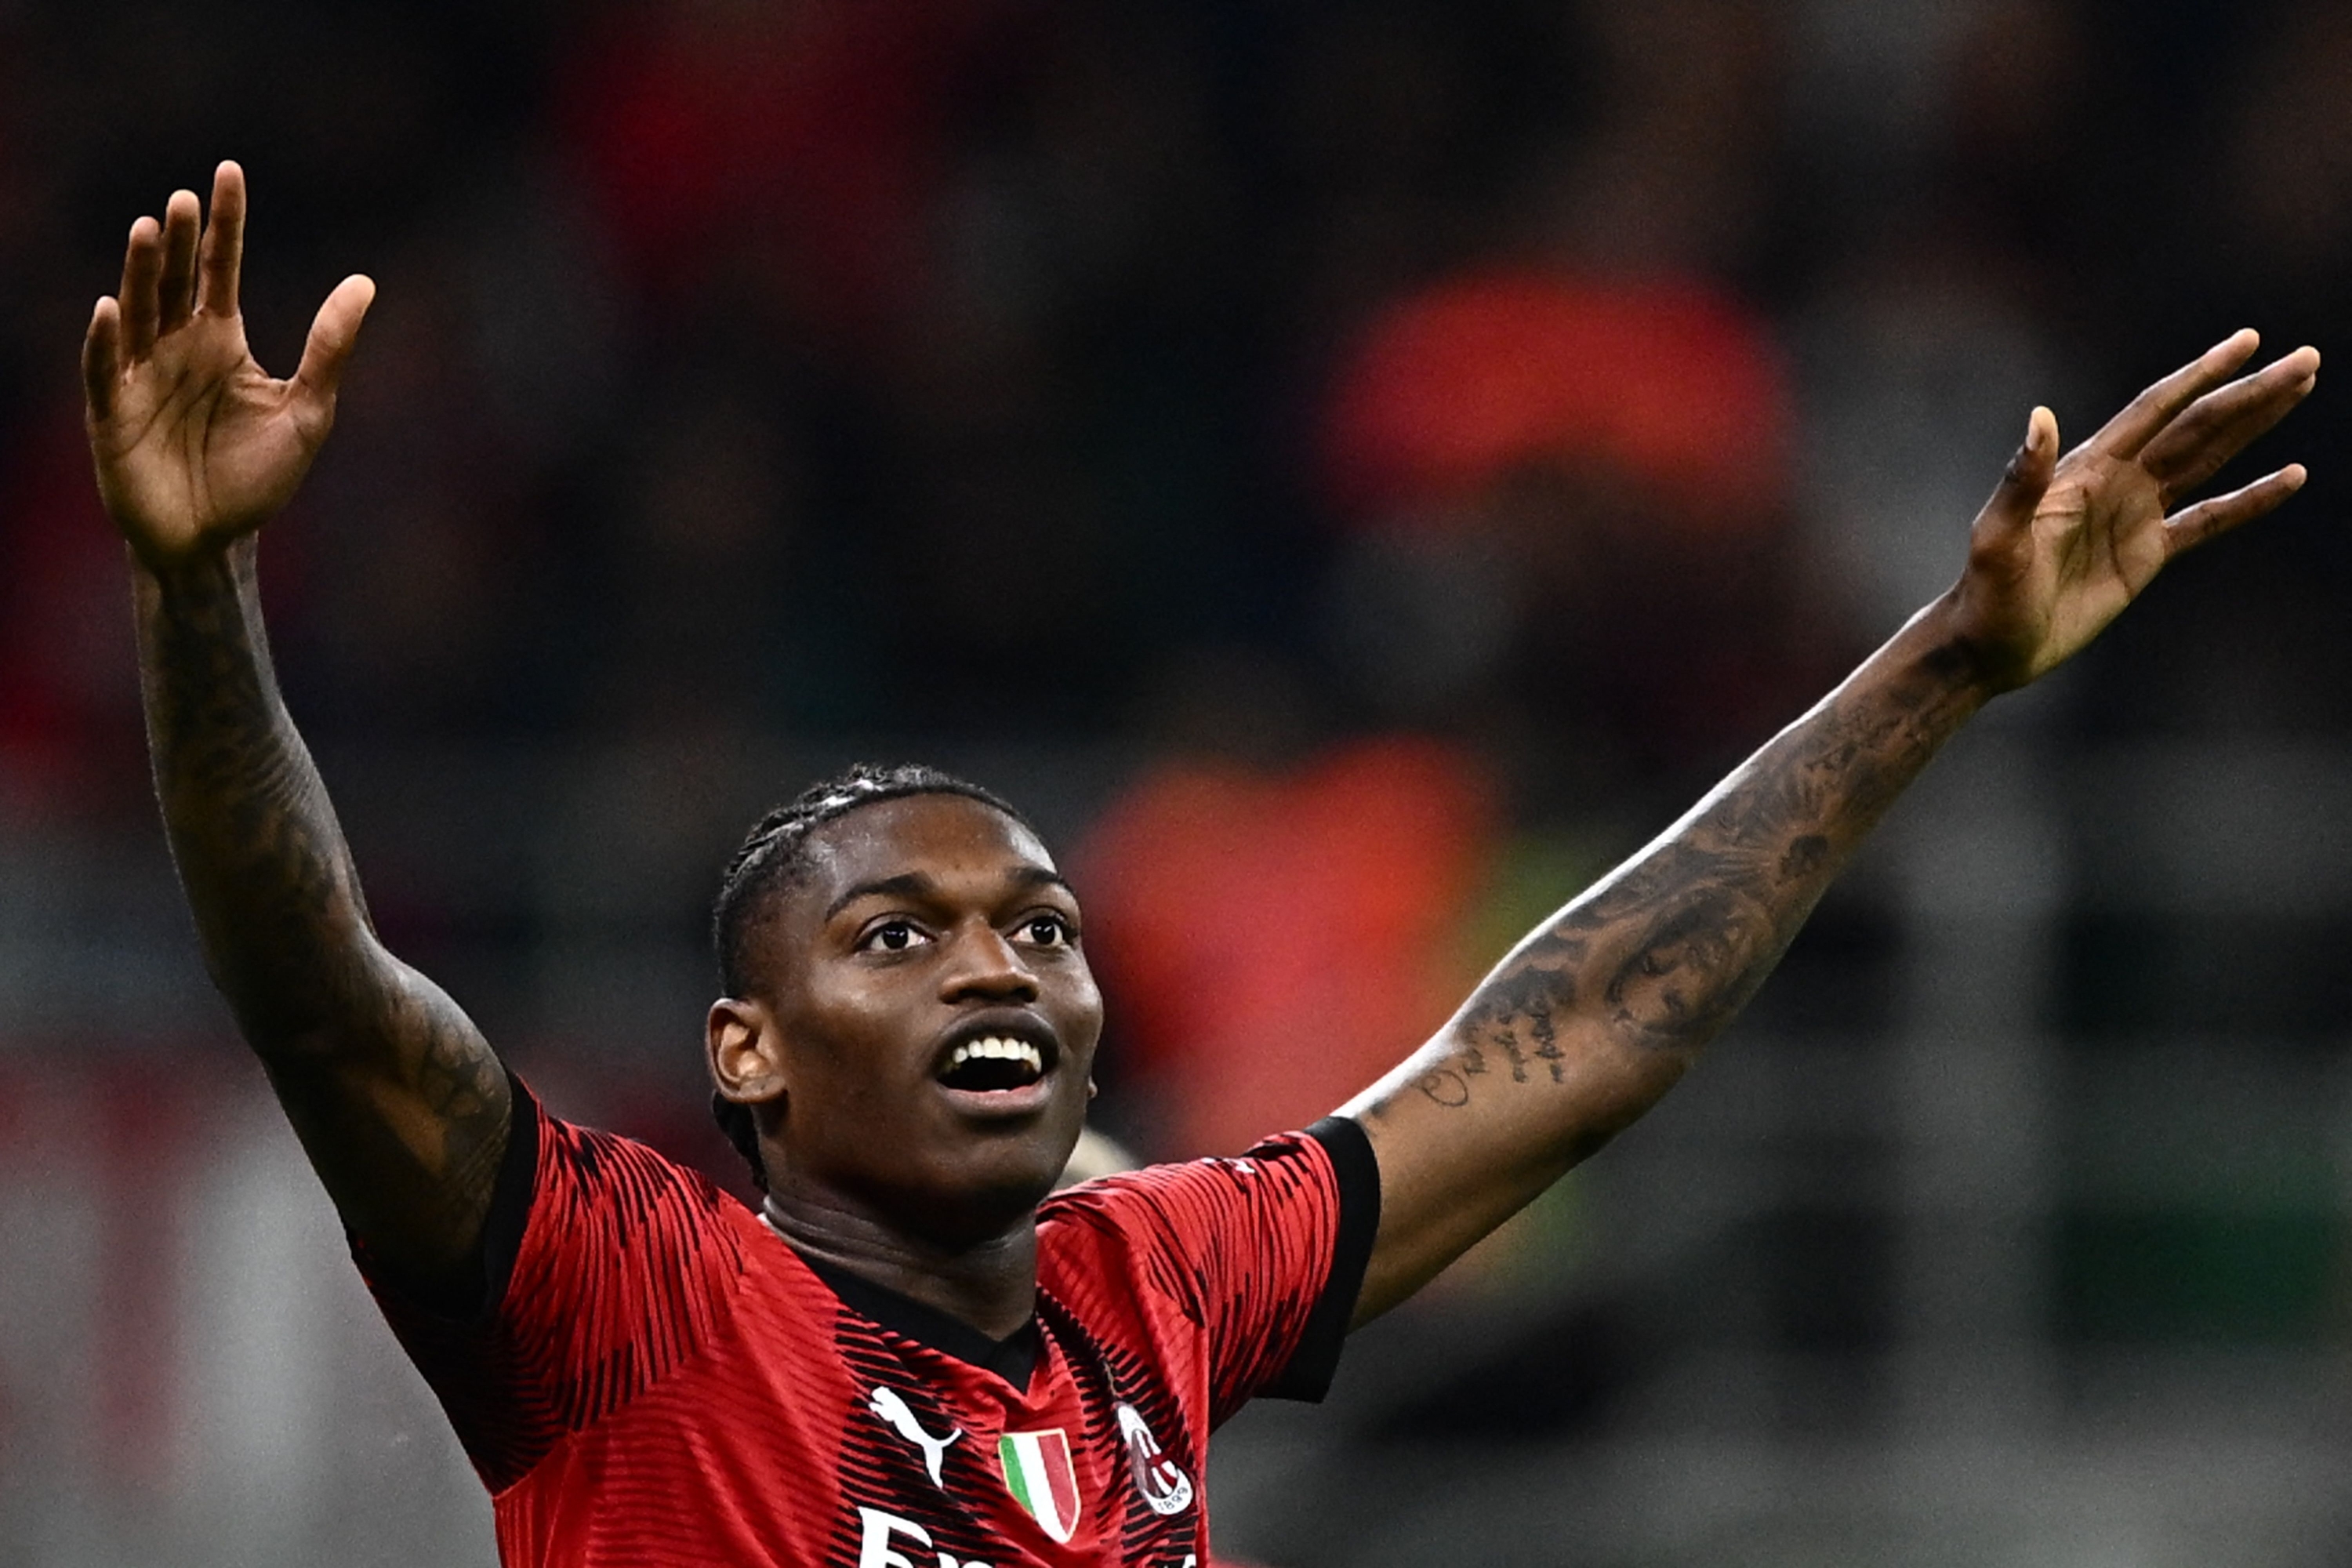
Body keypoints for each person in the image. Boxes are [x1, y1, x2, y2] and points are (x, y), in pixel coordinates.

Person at [82, 163, 2317, 1568]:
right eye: (904, 932)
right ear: (744, 1053)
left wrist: (1939, 663)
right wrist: (204, 599)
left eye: (1043, 929)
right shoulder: (633, 1302)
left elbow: (1568, 1041)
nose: (1008, 972)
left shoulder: (1150, 1288)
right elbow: (321, 992)